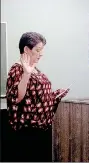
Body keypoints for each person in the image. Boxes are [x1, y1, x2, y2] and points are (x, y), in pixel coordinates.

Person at [5, 32, 70, 161]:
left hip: (41, 131)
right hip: (28, 133)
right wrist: (27, 74)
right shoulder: (17, 69)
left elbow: (38, 98)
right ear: (26, 49)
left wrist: (55, 95)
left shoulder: (35, 69)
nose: (41, 54)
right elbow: (17, 97)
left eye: (42, 50)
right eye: (38, 50)